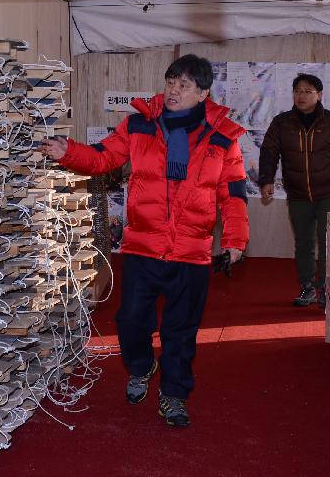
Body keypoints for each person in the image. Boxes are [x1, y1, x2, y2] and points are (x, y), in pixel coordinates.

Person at [39, 54, 249, 428]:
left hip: (192, 254)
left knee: (179, 333)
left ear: (203, 94)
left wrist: (234, 240)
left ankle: (173, 397)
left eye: (184, 85)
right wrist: (67, 152)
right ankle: (141, 366)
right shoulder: (139, 125)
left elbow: (232, 194)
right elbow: (103, 158)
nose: (174, 90)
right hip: (143, 248)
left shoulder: (223, 137)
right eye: (170, 82)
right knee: (131, 320)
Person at [258, 73, 330, 308]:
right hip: (297, 195)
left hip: (328, 192)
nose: (302, 96)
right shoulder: (281, 122)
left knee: (327, 242)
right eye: (298, 91)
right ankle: (307, 287)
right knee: (304, 243)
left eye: (308, 91)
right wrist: (266, 180)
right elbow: (269, 152)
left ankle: (324, 290)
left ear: (319, 95)